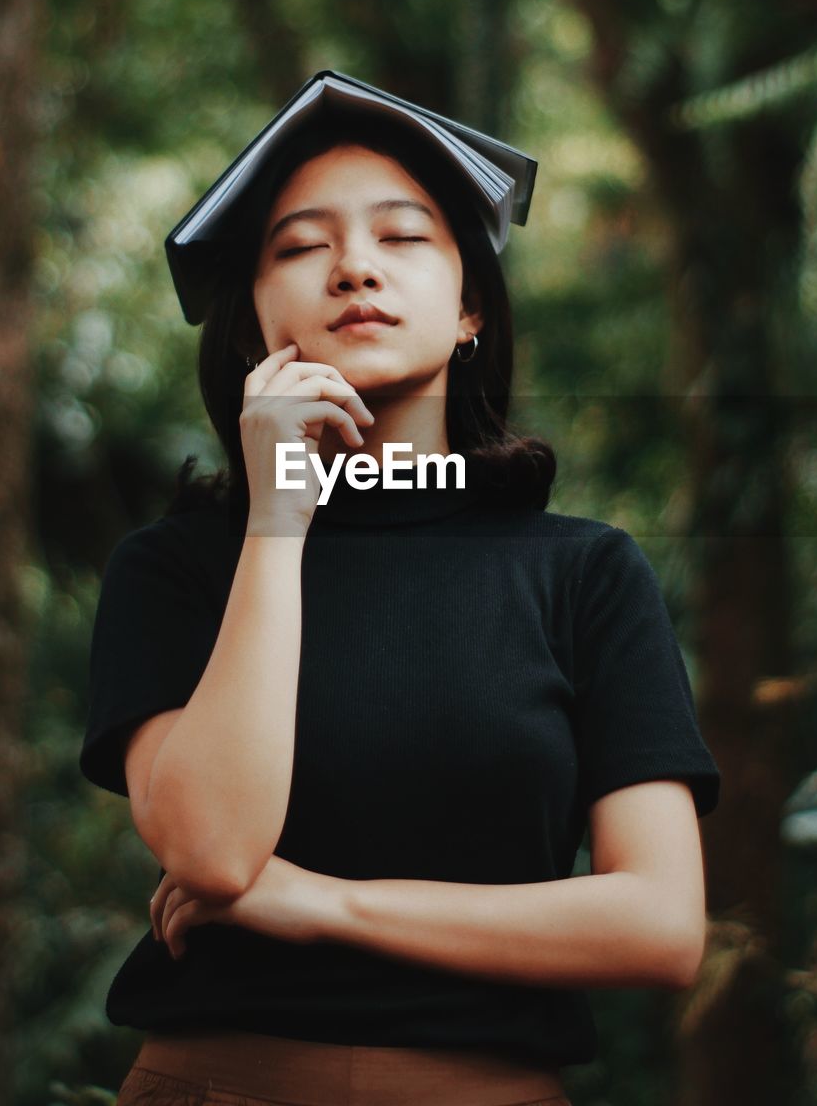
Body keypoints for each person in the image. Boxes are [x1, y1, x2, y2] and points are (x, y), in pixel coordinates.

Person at [79, 86, 722, 1106]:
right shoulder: (176, 568)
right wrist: (277, 523)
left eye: (403, 235)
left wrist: (325, 904)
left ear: (470, 307)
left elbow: (656, 923)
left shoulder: (583, 573)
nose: (354, 266)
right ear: (251, 320)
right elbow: (208, 848)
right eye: (298, 247)